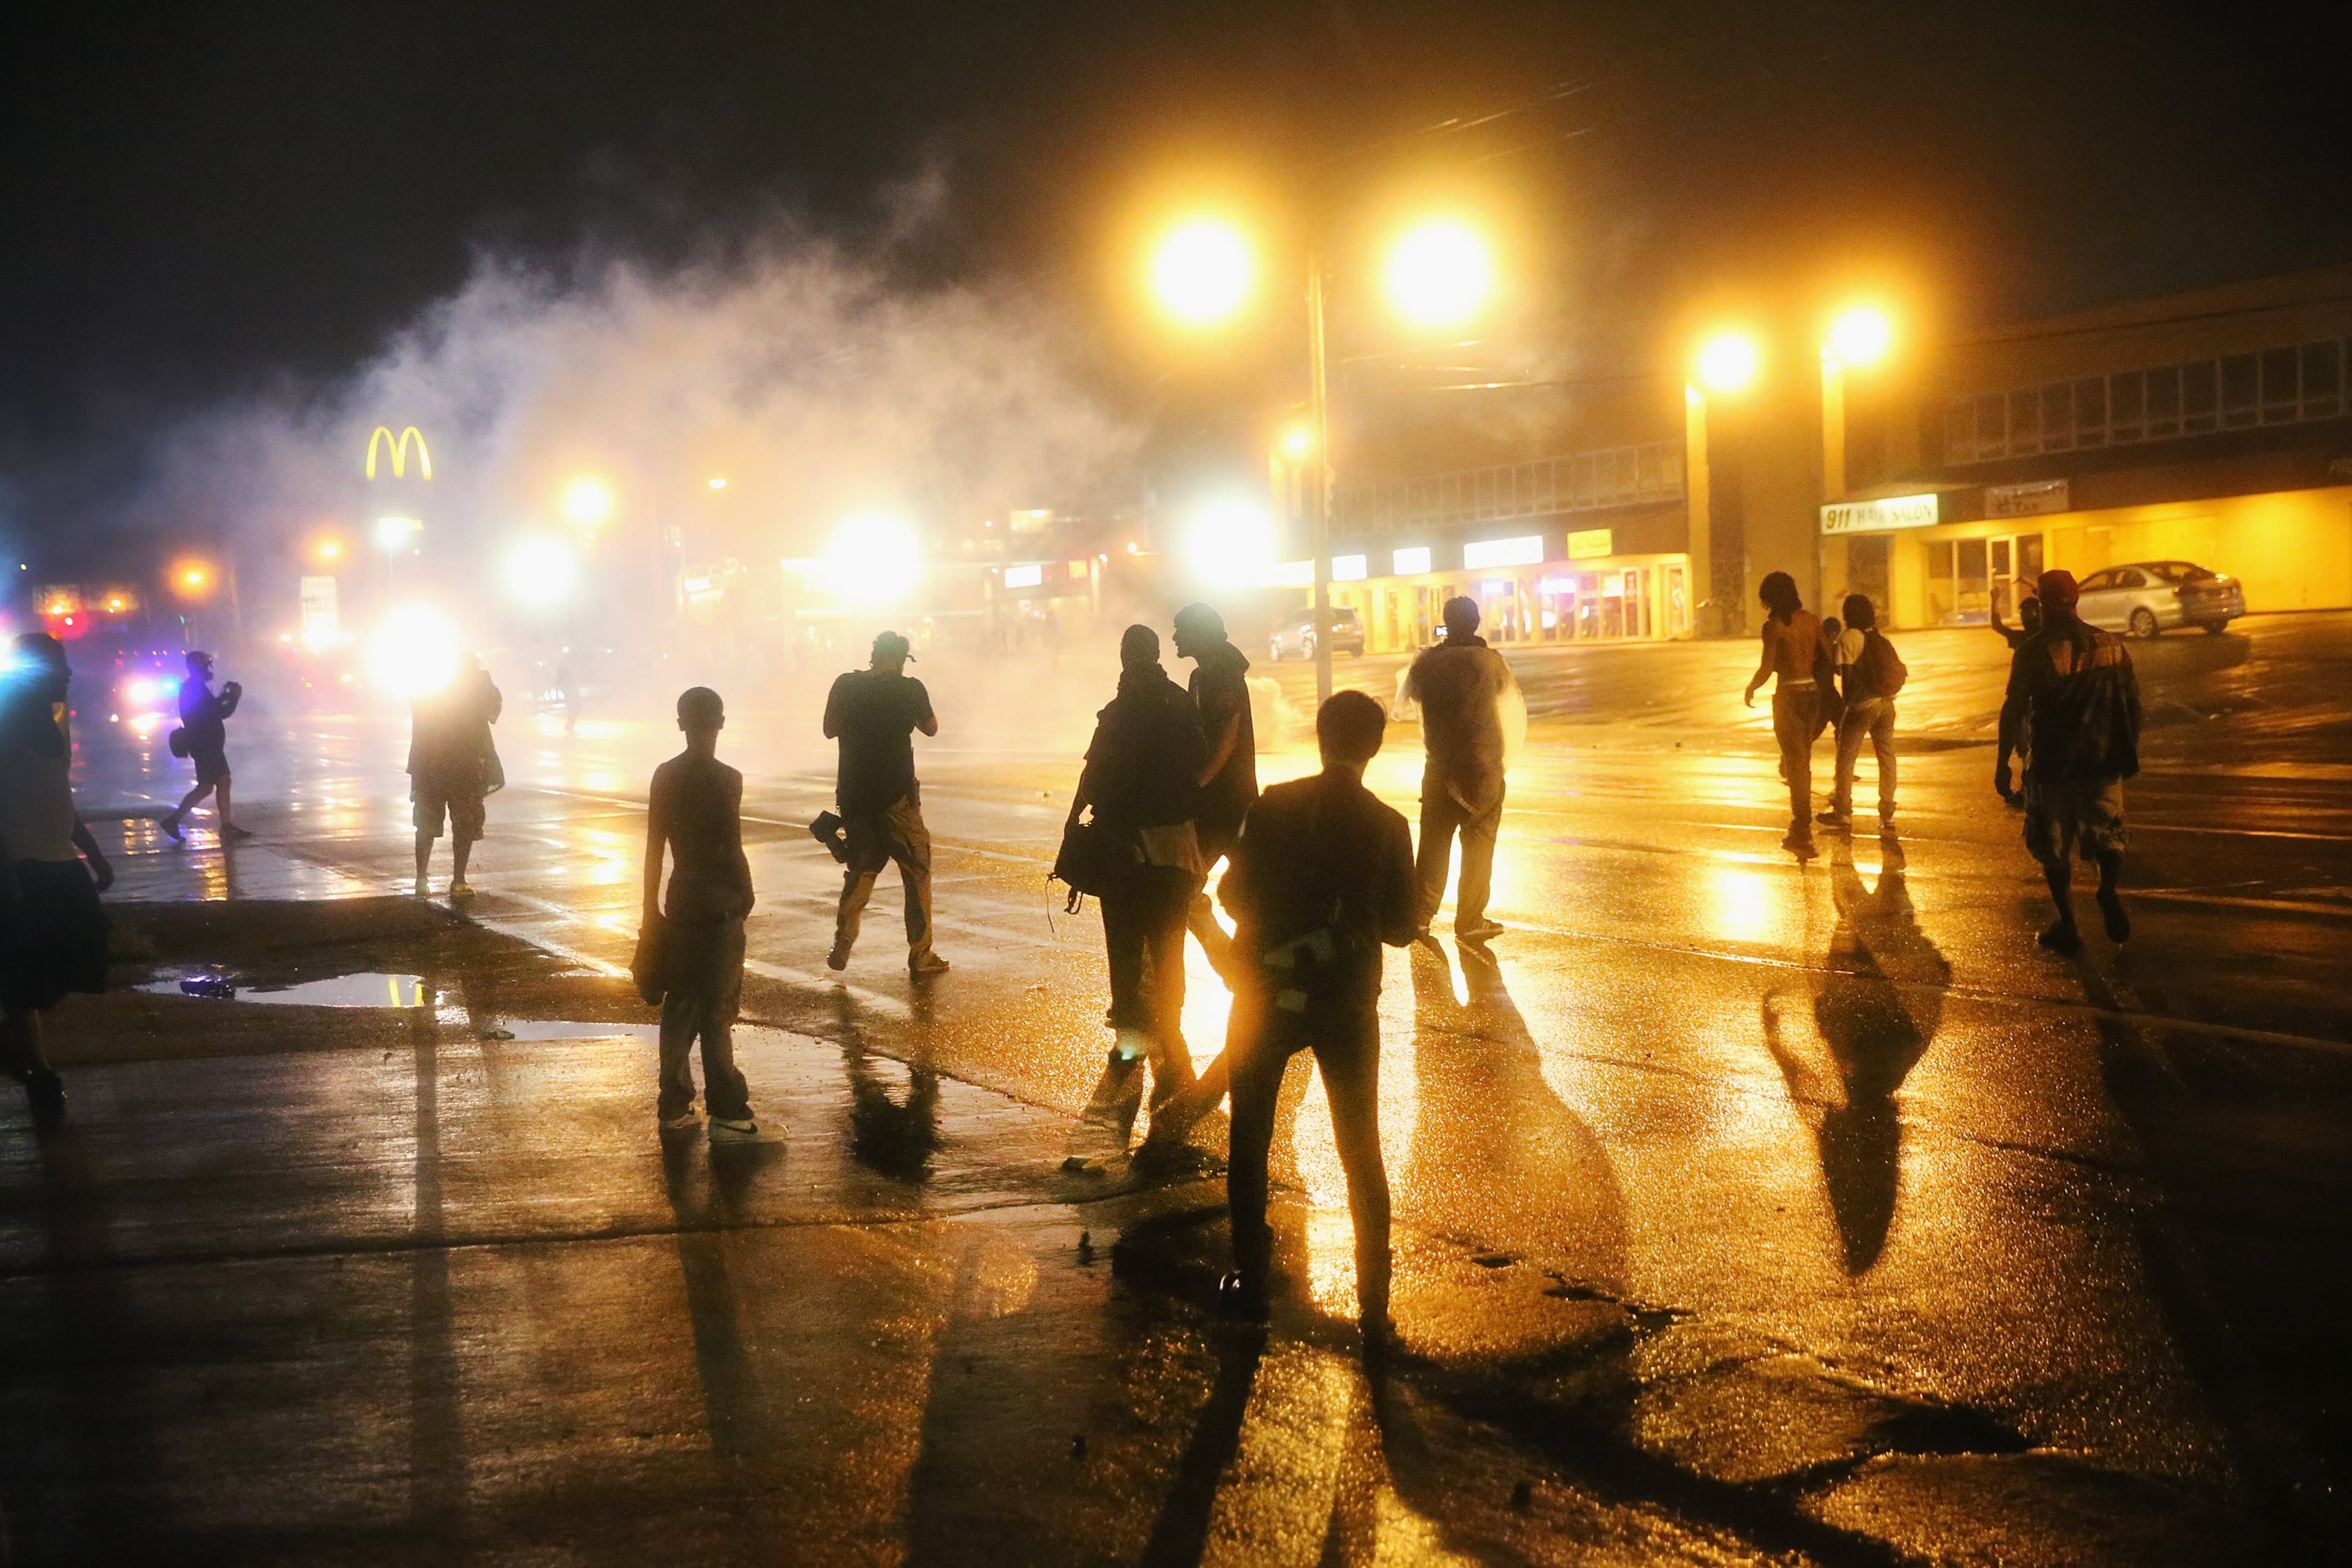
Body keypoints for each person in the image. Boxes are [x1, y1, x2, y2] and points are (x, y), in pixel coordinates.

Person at [1218, 690, 1418, 1342]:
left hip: (1264, 990)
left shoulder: (1274, 803)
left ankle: (1250, 1278)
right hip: (1346, 1001)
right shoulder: (1387, 825)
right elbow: (1398, 929)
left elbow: (1230, 892)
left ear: (1320, 735)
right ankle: (1374, 1303)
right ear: (1375, 747)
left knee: (1249, 1138)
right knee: (1361, 1149)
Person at [1068, 624, 1207, 1110]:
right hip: (1173, 846)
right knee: (1169, 944)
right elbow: (1200, 768)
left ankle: (1131, 1035)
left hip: (1122, 848)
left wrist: (1071, 830)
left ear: (1126, 659)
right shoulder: (1180, 706)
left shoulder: (1118, 712)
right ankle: (1171, 1039)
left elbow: (1093, 777)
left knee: (1125, 944)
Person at [641, 687, 772, 1143]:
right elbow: (731, 847)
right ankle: (729, 1112)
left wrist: (650, 911)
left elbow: (655, 850)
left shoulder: (665, 776)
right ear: (720, 722)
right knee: (717, 1012)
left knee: (679, 1007)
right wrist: (748, 893)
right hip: (718, 902)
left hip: (681, 897)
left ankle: (674, 1105)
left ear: (681, 723)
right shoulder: (726, 778)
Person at [0, 635, 115, 1118]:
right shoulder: (8, 723)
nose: (68, 673)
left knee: (88, 952)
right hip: (20, 859)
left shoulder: (53, 720)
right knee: (29, 967)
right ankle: (39, 1070)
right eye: (56, 665)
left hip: (60, 855)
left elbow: (58, 795)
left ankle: (15, 1042)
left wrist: (92, 853)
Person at [2010, 569, 2141, 954]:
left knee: (2053, 846)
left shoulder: (2033, 652)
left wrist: (2003, 762)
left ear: (2044, 603)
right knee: (2110, 833)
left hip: (2053, 765)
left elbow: (2013, 708)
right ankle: (2107, 889)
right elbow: (2134, 704)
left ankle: (2069, 924)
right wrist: (2128, 749)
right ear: (2077, 600)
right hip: (2103, 760)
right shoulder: (2112, 645)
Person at [824, 630, 948, 975]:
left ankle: (843, 942)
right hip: (896, 797)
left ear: (874, 655)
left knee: (862, 868)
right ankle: (920, 954)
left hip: (854, 796)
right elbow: (932, 728)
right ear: (901, 658)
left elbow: (829, 728)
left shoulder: (845, 685)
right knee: (916, 869)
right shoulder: (908, 688)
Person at [1401, 597, 1514, 938]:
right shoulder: (1489, 663)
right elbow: (1507, 697)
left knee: (1434, 842)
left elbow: (1413, 695)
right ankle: (1470, 920)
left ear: (1446, 622)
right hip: (1480, 768)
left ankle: (1420, 916)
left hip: (1438, 766)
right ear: (1477, 622)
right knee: (1479, 842)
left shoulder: (1426, 663)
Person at [1172, 601, 1254, 978]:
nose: (1174, 637)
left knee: (1184, 890)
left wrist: (1199, 783)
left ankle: (1241, 970)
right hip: (1220, 804)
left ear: (1199, 633)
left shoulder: (1221, 673)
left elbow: (1228, 734)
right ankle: (1242, 970)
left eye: (1180, 630)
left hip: (1227, 804)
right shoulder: (1204, 674)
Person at [1743, 571, 1828, 856]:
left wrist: (1751, 688)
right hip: (1814, 695)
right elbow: (1826, 655)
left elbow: (1767, 668)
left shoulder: (1774, 627)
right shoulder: (1812, 621)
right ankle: (1801, 821)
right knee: (1803, 759)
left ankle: (1801, 826)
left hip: (1789, 696)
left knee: (1796, 765)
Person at [409, 652, 502, 899]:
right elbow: (492, 711)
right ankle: (444, 879)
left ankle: (434, 878)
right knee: (448, 824)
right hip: (450, 765)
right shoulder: (443, 687)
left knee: (443, 824)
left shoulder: (451, 686)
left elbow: (492, 710)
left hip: (446, 765)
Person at [1820, 594, 1901, 832]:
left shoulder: (1849, 638)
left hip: (1863, 706)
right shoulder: (1876, 636)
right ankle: (1887, 814)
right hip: (1887, 704)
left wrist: (1848, 707)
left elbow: (1845, 676)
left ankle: (1843, 813)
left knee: (1846, 760)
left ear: (1848, 614)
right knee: (1886, 757)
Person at [160, 650, 246, 842]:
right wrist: (233, 698)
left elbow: (212, 708)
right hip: (206, 746)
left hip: (206, 745)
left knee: (212, 785)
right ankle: (224, 827)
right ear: (198, 668)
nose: (208, 670)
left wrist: (225, 696)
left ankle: (176, 821)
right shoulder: (194, 689)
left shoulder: (194, 687)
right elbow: (218, 713)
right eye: (205, 666)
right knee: (216, 784)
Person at [1992, 595, 2045, 803]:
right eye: (2023, 613)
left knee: (2029, 746)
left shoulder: (2032, 641)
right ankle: (2027, 790)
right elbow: (1997, 626)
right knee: (2026, 747)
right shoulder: (2024, 639)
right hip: (2025, 702)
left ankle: (2029, 790)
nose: (2024, 618)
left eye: (2028, 613)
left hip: (2031, 702)